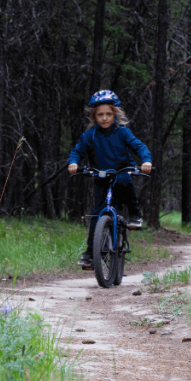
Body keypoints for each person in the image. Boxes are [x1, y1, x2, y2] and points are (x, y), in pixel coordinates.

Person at [67, 90, 153, 270]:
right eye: (100, 115)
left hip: (122, 170)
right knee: (96, 214)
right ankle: (90, 253)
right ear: (94, 116)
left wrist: (146, 160)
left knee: (124, 183)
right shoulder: (89, 135)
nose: (104, 118)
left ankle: (135, 215)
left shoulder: (123, 132)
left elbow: (139, 146)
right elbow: (77, 151)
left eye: (108, 114)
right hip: (100, 174)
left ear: (115, 114)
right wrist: (73, 163)